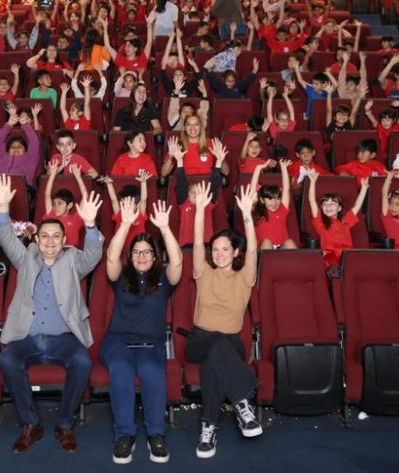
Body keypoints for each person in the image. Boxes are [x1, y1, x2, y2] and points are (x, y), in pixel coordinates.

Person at [0, 175, 104, 454]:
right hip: (28, 337)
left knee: (82, 362)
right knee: (7, 359)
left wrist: (90, 225)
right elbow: (7, 238)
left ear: (65, 239)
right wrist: (4, 209)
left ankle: (65, 424)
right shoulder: (27, 257)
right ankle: (31, 424)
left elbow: (93, 254)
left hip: (64, 338)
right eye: (45, 236)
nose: (50, 241)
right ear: (37, 239)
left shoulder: (73, 260)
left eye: (56, 236)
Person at [102, 199, 183, 464]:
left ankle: (156, 435)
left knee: (152, 373)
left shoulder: (163, 280)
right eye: (137, 251)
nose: (141, 256)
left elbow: (179, 263)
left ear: (155, 255)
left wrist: (165, 228)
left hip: (151, 344)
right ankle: (125, 435)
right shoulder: (122, 277)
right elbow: (112, 257)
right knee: (122, 370)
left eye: (147, 251)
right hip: (118, 342)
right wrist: (125, 224)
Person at [188, 182, 262, 460]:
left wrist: (246, 215)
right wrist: (199, 210)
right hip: (198, 339)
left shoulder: (244, 277)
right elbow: (197, 243)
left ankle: (209, 428)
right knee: (215, 344)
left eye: (224, 249)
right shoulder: (204, 273)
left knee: (214, 362)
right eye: (215, 249)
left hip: (230, 345)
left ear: (235, 252)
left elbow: (254, 251)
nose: (218, 254)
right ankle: (243, 400)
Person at [308, 170, 369, 266]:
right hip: (330, 255)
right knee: (333, 264)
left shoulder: (345, 221)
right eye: (325, 204)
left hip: (346, 254)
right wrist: (312, 182)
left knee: (360, 264)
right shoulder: (321, 222)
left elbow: (357, 206)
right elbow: (312, 201)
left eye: (332, 204)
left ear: (339, 208)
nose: (328, 207)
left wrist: (364, 189)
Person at [250, 159, 297, 249]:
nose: (274, 202)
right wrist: (258, 168)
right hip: (264, 248)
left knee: (290, 242)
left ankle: (295, 263)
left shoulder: (282, 209)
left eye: (277, 199)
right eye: (270, 199)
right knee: (267, 242)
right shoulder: (259, 210)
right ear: (262, 200)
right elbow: (253, 189)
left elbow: (286, 189)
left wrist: (283, 168)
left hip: (281, 247)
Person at [0, 109, 41, 189]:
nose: (16, 149)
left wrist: (25, 125)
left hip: (22, 189)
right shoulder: (2, 157)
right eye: (13, 147)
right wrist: (9, 124)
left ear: (26, 150)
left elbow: (34, 142)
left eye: (19, 147)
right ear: (7, 150)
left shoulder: (30, 158)